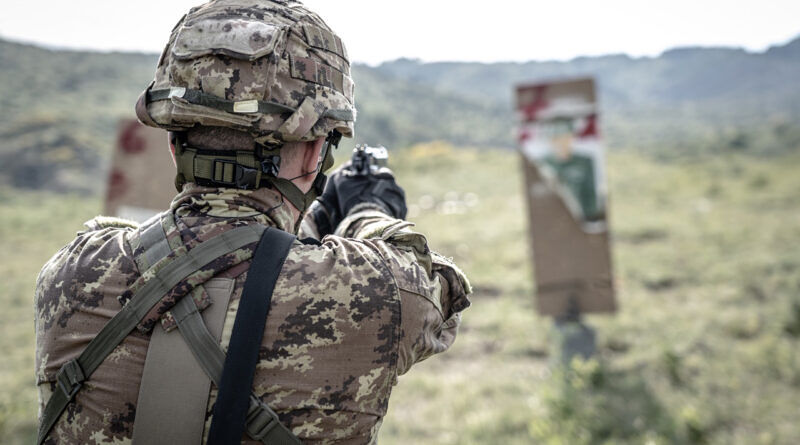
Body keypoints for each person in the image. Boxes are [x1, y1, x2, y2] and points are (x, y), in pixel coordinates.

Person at [33, 1, 471, 444]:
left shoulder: (72, 273)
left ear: (172, 143)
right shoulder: (377, 289)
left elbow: (231, 252)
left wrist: (311, 222)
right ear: (317, 150)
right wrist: (365, 213)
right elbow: (442, 289)